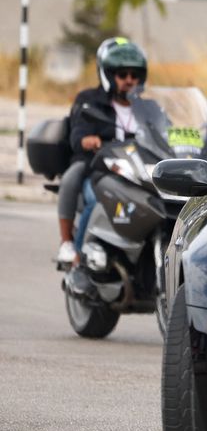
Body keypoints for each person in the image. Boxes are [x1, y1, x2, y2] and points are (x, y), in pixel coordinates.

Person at [56, 38, 148, 264]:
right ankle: (73, 251)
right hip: (98, 169)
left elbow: (164, 132)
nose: (129, 80)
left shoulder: (147, 108)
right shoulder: (89, 101)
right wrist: (87, 140)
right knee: (97, 199)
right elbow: (78, 130)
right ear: (108, 75)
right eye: (123, 74)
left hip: (135, 173)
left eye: (134, 75)